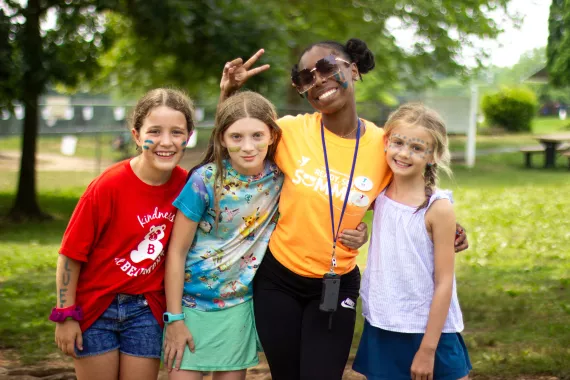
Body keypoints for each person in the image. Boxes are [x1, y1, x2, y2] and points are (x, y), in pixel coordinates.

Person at [219, 39, 469, 379]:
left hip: (337, 282)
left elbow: (410, 193)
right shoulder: (290, 131)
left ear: (353, 69)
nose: (318, 80)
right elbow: (231, 150)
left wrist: (448, 228)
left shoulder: (384, 145)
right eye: (306, 77)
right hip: (278, 280)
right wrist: (228, 94)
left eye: (326, 67)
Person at [51, 88, 194, 380]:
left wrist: (226, 92)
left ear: (188, 136)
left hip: (146, 310)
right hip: (96, 309)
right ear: (137, 136)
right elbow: (70, 255)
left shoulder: (188, 185)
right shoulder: (107, 186)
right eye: (155, 131)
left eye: (176, 132)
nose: (166, 142)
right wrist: (65, 314)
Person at [161, 91, 284, 380]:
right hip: (188, 305)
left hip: (237, 306)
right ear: (222, 139)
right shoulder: (204, 180)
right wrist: (175, 318)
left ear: (272, 136)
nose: (248, 146)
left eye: (257, 135)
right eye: (236, 137)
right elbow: (176, 252)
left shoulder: (281, 178)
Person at [353, 103, 471, 380]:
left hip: (431, 332)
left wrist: (428, 350)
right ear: (386, 143)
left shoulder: (438, 208)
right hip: (384, 324)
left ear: (434, 156)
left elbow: (445, 283)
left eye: (417, 148)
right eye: (398, 142)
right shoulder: (377, 193)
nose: (404, 153)